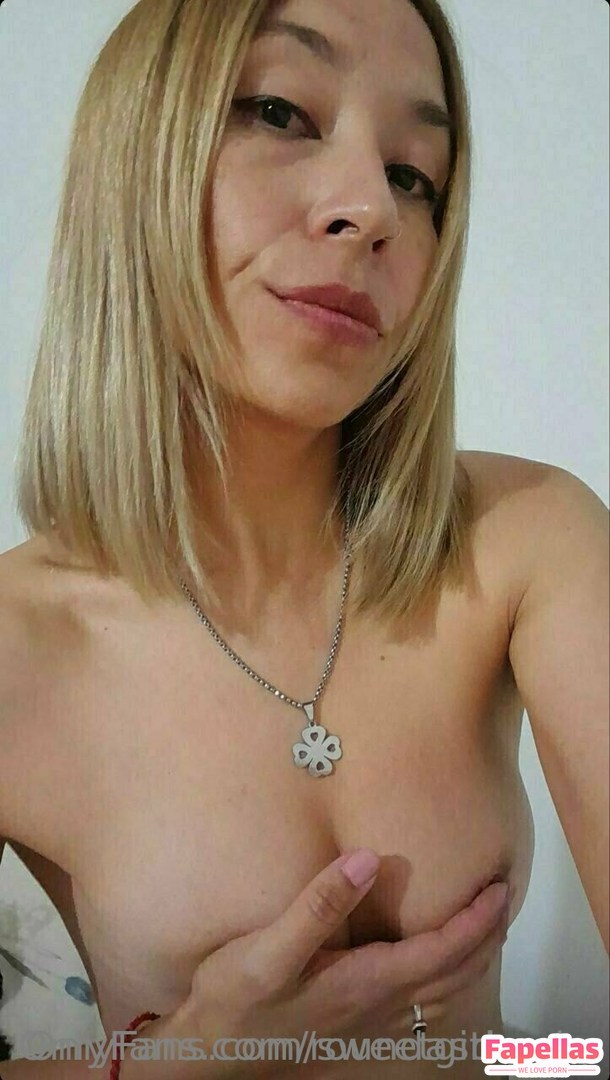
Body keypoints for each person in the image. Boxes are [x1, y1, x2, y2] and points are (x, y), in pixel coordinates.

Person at [0, 0, 607, 1076]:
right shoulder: (17, 646)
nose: (371, 209)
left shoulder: (529, 541)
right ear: (138, 155)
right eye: (281, 111)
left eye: (414, 176)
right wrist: (183, 1057)